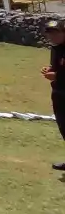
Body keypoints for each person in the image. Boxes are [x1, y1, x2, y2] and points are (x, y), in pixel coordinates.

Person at [41, 19, 65, 171]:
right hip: (58, 93)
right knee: (64, 127)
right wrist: (49, 69)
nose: (52, 37)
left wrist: (57, 76)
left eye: (56, 33)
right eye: (50, 34)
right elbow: (57, 67)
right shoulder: (55, 48)